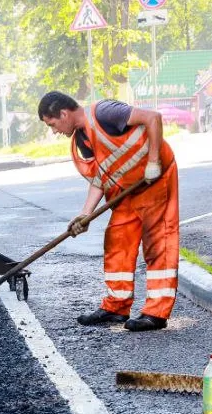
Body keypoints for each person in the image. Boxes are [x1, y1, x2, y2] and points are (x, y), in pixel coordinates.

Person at [38, 91, 180, 332]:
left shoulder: (105, 113)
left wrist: (154, 162)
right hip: (126, 189)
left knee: (158, 243)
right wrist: (85, 214)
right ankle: (116, 307)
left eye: (52, 124)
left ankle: (156, 313)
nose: (54, 131)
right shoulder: (83, 140)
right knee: (117, 240)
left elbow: (153, 118)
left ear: (64, 114)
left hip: (155, 180)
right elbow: (100, 178)